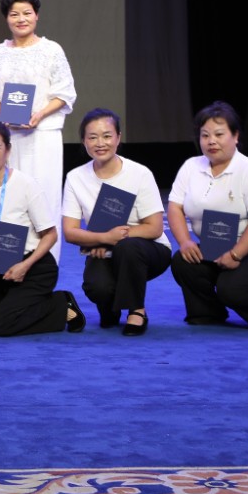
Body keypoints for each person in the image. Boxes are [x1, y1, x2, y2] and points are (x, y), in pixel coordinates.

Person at [0, 119, 84, 336]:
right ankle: (4, 314)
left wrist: (25, 265)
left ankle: (60, 303)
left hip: (33, 267)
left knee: (0, 327)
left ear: (8, 150)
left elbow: (51, 235)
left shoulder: (26, 184)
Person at [166, 101, 248, 329]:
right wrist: (185, 242)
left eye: (219, 134)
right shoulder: (190, 166)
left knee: (230, 289)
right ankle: (208, 313)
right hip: (215, 246)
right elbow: (175, 207)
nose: (211, 141)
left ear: (235, 136)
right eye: (205, 135)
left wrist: (236, 255)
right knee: (183, 261)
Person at [0, 0, 76, 265]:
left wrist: (40, 115)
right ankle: (7, 261)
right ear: (6, 18)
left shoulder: (51, 50)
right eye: (14, 14)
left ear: (36, 15)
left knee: (43, 198)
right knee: (8, 199)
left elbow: (65, 92)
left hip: (42, 137)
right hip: (8, 139)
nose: (21, 19)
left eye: (27, 13)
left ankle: (44, 266)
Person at [61, 108, 171, 335]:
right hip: (103, 246)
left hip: (148, 250)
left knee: (128, 247)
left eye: (107, 136)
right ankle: (110, 307)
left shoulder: (139, 173)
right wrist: (103, 238)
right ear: (83, 141)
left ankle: (136, 310)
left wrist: (114, 240)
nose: (100, 143)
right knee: (97, 287)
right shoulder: (75, 177)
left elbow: (155, 228)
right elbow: (70, 232)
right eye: (93, 137)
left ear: (118, 138)